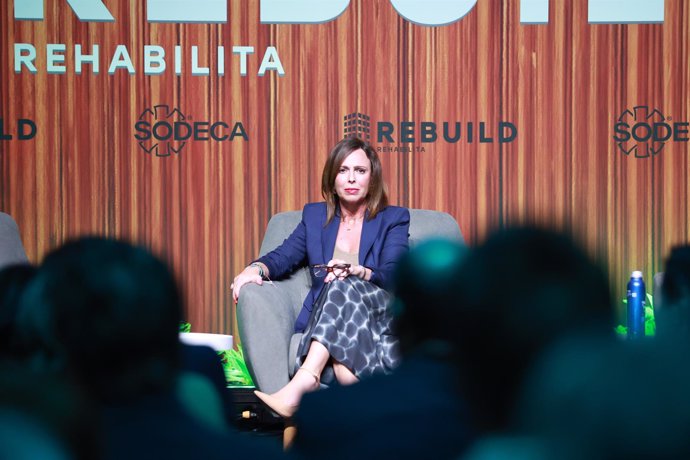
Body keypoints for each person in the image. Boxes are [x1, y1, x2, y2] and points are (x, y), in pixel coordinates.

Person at [231, 137, 410, 417]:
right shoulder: (314, 217)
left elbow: (394, 273)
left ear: (372, 178)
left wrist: (358, 271)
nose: (351, 178)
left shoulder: (394, 218)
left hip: (377, 313)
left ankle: (306, 379)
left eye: (360, 171)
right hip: (330, 317)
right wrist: (256, 269)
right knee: (339, 291)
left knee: (345, 281)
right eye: (343, 170)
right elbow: (282, 257)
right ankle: (362, 411)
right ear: (332, 177)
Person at [293, 239, 474, 459]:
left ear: (398, 321)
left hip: (368, 319)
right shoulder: (501, 415)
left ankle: (314, 375)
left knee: (342, 284)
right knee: (340, 284)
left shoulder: (320, 414)